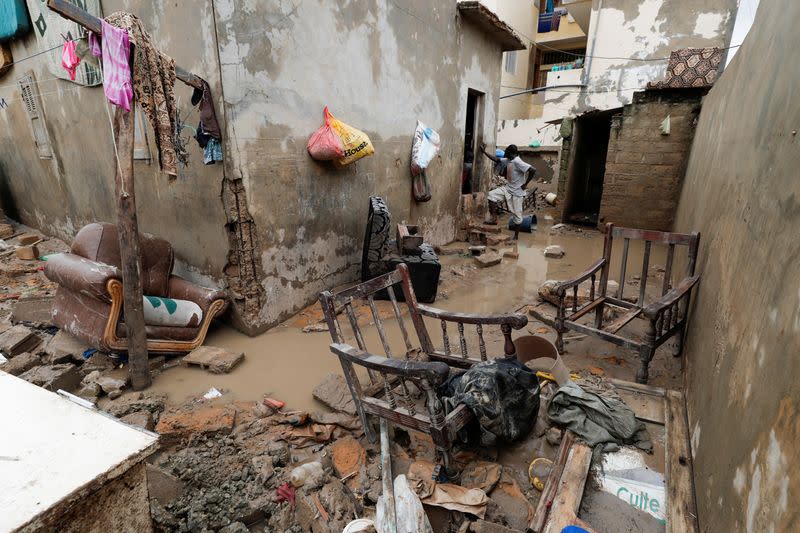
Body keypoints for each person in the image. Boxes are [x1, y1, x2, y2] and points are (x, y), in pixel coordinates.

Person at [479, 143, 535, 226]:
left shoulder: (517, 161)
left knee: (517, 215)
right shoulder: (509, 160)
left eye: (506, 151)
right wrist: (484, 152)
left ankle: (516, 237)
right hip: (508, 189)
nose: (504, 152)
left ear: (510, 152)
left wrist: (525, 184)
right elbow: (496, 159)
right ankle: (494, 219)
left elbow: (533, 170)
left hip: (517, 192)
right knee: (491, 195)